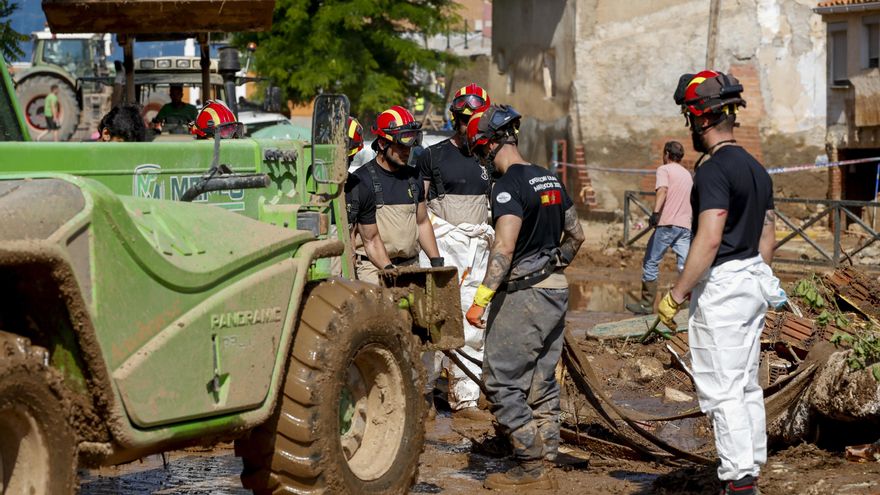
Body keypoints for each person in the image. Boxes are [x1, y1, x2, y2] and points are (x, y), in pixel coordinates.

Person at [658, 70, 784, 495]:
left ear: (700, 119)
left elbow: (709, 237)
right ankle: (749, 466)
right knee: (747, 382)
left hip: (725, 285)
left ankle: (738, 482)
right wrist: (755, 275)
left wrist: (676, 294)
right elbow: (768, 235)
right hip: (752, 278)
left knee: (721, 386)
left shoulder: (712, 170)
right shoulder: (756, 168)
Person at [464, 105, 584, 491]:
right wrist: (555, 264)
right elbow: (577, 235)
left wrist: (481, 299)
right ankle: (547, 452)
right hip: (556, 291)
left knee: (501, 381)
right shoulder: (550, 179)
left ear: (486, 147)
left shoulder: (506, 187)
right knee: (541, 378)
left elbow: (503, 248)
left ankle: (530, 466)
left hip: (523, 295)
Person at [417, 83, 493, 420]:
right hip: (442, 245)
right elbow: (419, 207)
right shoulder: (432, 156)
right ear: (454, 120)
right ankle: (423, 397)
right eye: (463, 120)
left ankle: (465, 399)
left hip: (477, 248)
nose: (468, 127)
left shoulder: (489, 159)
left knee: (475, 322)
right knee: (433, 320)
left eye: (474, 120)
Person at [345, 105, 443, 283]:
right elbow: (369, 238)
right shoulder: (361, 181)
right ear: (382, 143)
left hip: (410, 266)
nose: (407, 151)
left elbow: (422, 223)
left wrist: (436, 261)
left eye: (411, 144)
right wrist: (389, 270)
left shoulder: (414, 178)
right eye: (401, 146)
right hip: (373, 270)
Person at [626, 140, 693, 314]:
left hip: (667, 223)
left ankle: (646, 305)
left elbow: (662, 190)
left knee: (651, 261)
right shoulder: (687, 174)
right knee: (684, 265)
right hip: (685, 226)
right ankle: (686, 306)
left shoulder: (664, 170)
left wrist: (655, 213)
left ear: (667, 154)